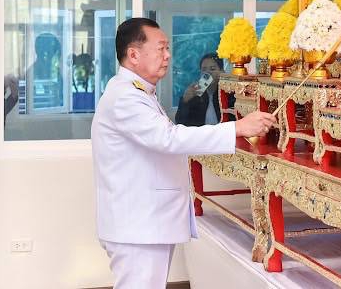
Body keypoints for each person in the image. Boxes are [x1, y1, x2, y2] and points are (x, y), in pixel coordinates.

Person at [91, 18, 275, 288]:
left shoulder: (139, 92)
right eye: (160, 48)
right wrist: (237, 128)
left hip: (144, 222)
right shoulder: (126, 97)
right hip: (138, 226)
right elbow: (169, 138)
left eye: (168, 48)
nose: (167, 56)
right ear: (133, 55)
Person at [175, 52, 224, 126]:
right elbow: (180, 122)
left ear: (221, 71)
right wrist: (185, 101)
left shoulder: (227, 92)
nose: (208, 72)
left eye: (212, 69)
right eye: (204, 70)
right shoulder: (196, 93)